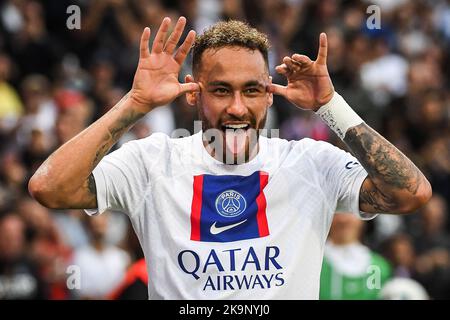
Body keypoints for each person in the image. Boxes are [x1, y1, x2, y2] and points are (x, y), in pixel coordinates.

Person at [28, 17, 432, 299]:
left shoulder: (311, 163)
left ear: (269, 94)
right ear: (193, 93)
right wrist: (133, 104)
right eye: (220, 90)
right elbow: (50, 187)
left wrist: (331, 106)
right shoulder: (152, 162)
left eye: (252, 90)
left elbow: (410, 193)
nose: (237, 108)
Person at [320, 213, 391, 300]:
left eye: (350, 213)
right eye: (336, 213)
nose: (343, 220)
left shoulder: (380, 267)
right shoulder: (315, 263)